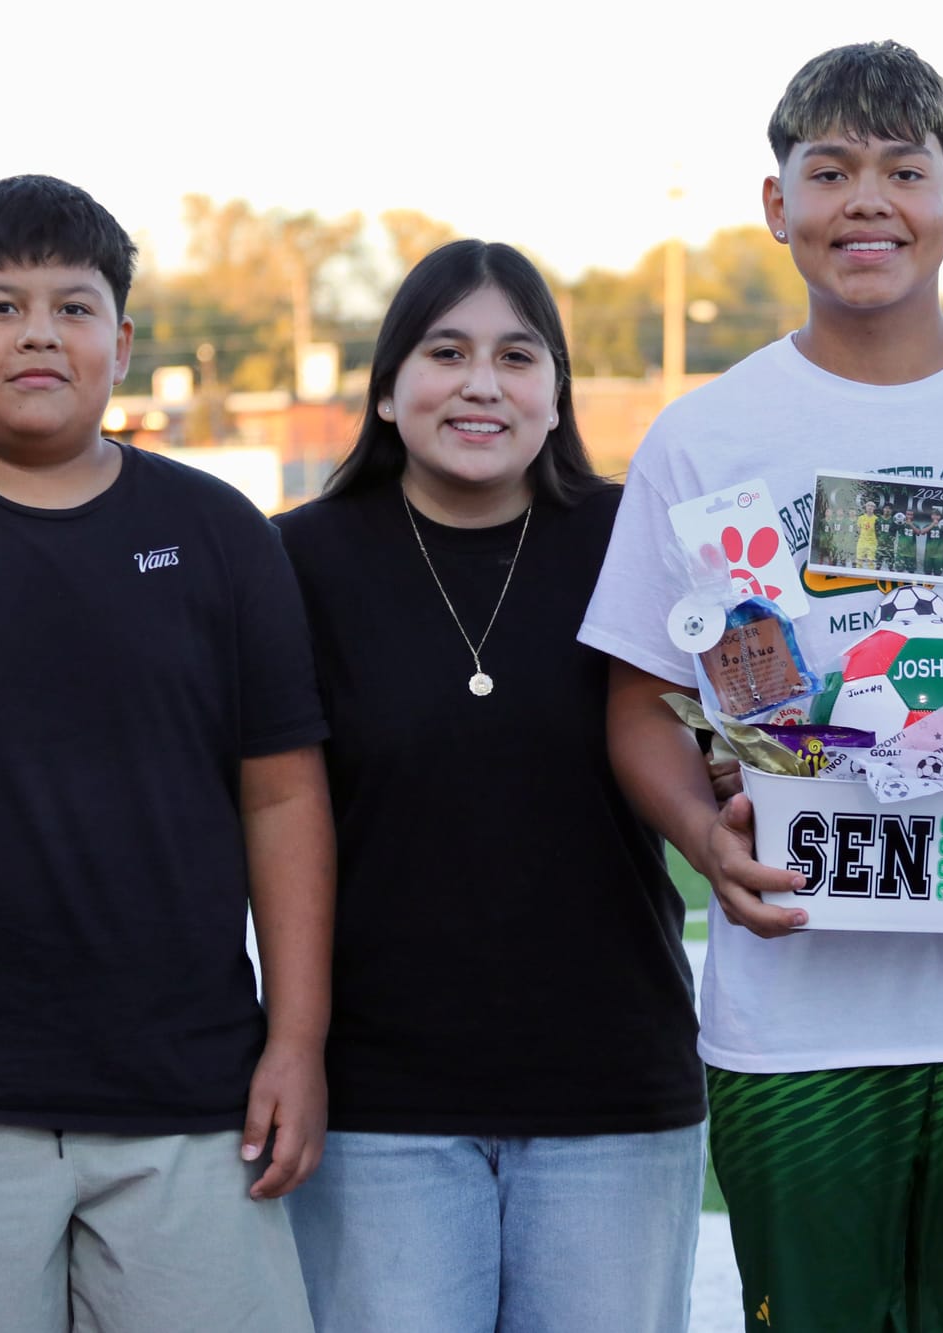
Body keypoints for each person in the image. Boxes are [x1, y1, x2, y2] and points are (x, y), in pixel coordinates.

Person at [581, 40, 943, 1332]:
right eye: (830, 171)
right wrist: (709, 840)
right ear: (776, 204)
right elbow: (635, 705)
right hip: (797, 1021)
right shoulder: (704, 437)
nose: (867, 202)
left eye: (904, 169)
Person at [273, 241, 705, 1333]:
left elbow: (726, 746)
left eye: (517, 356)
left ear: (557, 394)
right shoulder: (292, 562)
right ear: (386, 387)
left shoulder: (635, 545)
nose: (481, 384)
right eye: (445, 352)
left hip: (612, 1088)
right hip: (377, 1101)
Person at [0, 175, 330, 1330]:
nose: (39, 332)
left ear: (123, 340)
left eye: (74, 305)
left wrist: (296, 1041)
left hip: (189, 1098)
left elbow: (281, 797)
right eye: (1, 306)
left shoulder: (217, 533)